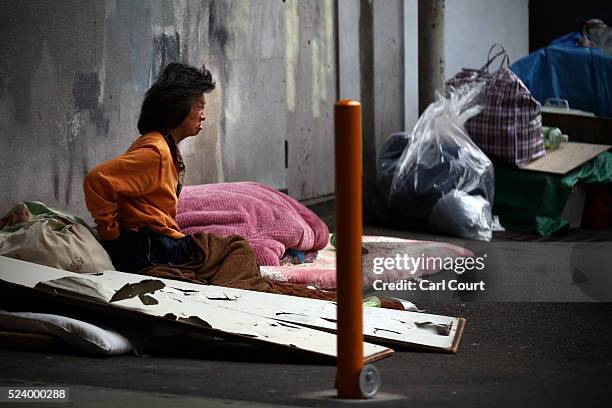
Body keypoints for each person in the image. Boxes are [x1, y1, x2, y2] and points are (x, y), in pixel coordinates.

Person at [84, 62, 335, 300]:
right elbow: (97, 180)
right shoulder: (155, 151)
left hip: (155, 243)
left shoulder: (164, 148)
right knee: (235, 249)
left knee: (225, 251)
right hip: (150, 247)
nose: (203, 115)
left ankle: (236, 288)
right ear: (178, 109)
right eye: (199, 107)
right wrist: (113, 236)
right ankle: (238, 295)